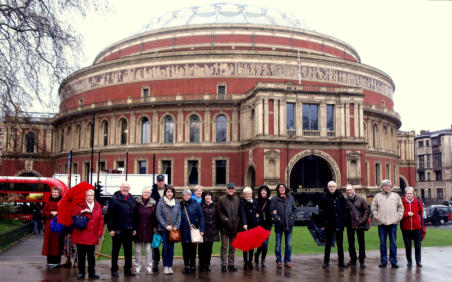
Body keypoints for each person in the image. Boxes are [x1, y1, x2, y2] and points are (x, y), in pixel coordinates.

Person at [106, 181, 137, 277]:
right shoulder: (114, 199)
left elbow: (134, 215)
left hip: (129, 230)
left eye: (127, 187)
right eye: (124, 187)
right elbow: (109, 216)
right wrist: (111, 229)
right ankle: (114, 270)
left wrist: (134, 228)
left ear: (129, 188)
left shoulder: (132, 200)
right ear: (120, 188)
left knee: (128, 252)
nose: (125, 189)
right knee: (115, 251)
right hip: (117, 230)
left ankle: (127, 269)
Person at [71, 189, 104, 280]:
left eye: (91, 195)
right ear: (85, 196)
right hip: (81, 235)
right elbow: (73, 214)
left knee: (91, 256)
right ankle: (81, 272)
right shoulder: (79, 205)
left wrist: (100, 232)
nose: (89, 197)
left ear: (94, 196)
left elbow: (101, 220)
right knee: (81, 256)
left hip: (92, 235)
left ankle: (91, 273)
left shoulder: (97, 206)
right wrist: (82, 211)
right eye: (88, 195)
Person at [371, 179, 404, 268]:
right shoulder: (377, 196)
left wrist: (398, 217)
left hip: (393, 223)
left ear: (391, 187)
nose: (387, 187)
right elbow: (373, 208)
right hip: (382, 224)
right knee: (382, 243)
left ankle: (393, 261)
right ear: (382, 187)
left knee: (393, 243)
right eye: (385, 186)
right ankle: (383, 261)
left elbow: (401, 208)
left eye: (389, 186)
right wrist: (377, 217)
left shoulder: (396, 196)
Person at [319, 181, 349, 269]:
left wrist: (343, 220)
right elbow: (321, 212)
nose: (332, 188)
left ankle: (341, 261)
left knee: (340, 244)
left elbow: (345, 209)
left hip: (339, 224)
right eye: (330, 186)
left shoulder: (340, 196)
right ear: (328, 187)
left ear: (336, 187)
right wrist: (323, 224)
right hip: (329, 224)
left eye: (333, 186)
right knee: (328, 244)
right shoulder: (324, 197)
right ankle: (326, 262)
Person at [270, 183, 296, 268]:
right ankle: (279, 261)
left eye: (283, 187)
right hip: (279, 224)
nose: (282, 188)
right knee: (278, 244)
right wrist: (277, 218)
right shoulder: (274, 199)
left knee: (288, 244)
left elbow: (294, 209)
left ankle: (287, 261)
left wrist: (292, 216)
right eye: (280, 187)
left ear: (285, 189)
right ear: (278, 189)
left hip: (288, 224)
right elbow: (271, 210)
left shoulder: (290, 198)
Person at [156, 185, 181, 275]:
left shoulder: (177, 203)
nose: (169, 193)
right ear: (165, 193)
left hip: (174, 230)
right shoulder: (161, 202)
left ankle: (170, 266)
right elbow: (158, 215)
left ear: (173, 193)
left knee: (171, 248)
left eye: (171, 192)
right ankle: (165, 266)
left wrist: (176, 226)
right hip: (164, 229)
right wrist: (166, 226)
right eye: (168, 192)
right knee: (165, 248)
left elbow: (179, 215)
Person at [217, 182, 241, 272]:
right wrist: (225, 220)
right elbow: (219, 212)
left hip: (235, 227)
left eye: (232, 188)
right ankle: (223, 264)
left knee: (232, 247)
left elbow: (239, 212)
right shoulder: (221, 199)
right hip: (225, 227)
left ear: (234, 190)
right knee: (224, 247)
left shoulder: (237, 199)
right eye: (229, 188)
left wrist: (238, 221)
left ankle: (231, 264)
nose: (231, 190)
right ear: (227, 189)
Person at [180, 189, 205, 274]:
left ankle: (192, 265)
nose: (186, 196)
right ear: (182, 196)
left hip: (193, 230)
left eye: (188, 195)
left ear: (190, 196)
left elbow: (201, 217)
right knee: (185, 249)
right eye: (184, 195)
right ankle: (186, 266)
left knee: (193, 249)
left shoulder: (196, 204)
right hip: (183, 231)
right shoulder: (180, 205)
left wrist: (202, 229)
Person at [345, 184, 370, 268]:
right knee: (351, 243)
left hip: (360, 224)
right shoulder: (345, 201)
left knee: (361, 243)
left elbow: (366, 211)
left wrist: (362, 221)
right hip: (349, 224)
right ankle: (353, 259)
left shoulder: (361, 199)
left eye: (350, 189)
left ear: (354, 190)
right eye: (347, 190)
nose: (349, 191)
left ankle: (362, 260)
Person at [134, 187, 157, 274]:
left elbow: (155, 217)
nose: (146, 194)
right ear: (142, 193)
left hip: (149, 230)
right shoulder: (137, 202)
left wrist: (155, 228)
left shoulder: (153, 204)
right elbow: (134, 216)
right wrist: (134, 228)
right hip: (138, 229)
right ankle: (137, 266)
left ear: (150, 194)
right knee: (138, 250)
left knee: (148, 251)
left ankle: (149, 267)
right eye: (144, 192)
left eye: (148, 192)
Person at [401, 187, 423, 267]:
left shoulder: (417, 202)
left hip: (417, 227)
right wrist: (407, 214)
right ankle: (409, 261)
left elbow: (421, 214)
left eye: (411, 193)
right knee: (408, 245)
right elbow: (399, 214)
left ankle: (418, 261)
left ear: (413, 194)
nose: (409, 195)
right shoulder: (402, 202)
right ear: (405, 194)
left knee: (418, 245)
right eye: (408, 193)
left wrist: (422, 227)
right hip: (406, 228)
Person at [42, 187, 64, 268]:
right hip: (49, 226)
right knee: (49, 243)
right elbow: (44, 213)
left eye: (56, 192)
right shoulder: (48, 201)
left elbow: (65, 212)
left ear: (59, 193)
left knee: (57, 243)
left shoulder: (62, 202)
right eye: (53, 192)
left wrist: (58, 213)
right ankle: (49, 261)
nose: (54, 193)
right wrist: (51, 212)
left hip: (58, 225)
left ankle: (57, 262)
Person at [199, 190, 219, 272]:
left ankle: (207, 264)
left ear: (211, 196)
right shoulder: (200, 205)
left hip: (212, 229)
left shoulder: (215, 205)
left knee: (209, 248)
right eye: (206, 195)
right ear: (203, 197)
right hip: (203, 230)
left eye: (209, 195)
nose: (208, 197)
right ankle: (201, 264)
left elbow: (218, 216)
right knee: (202, 248)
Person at [150, 174, 167, 272]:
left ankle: (166, 263)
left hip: (166, 223)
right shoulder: (152, 193)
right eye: (159, 181)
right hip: (156, 223)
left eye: (162, 181)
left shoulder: (169, 191)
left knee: (166, 245)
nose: (161, 183)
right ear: (157, 182)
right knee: (155, 244)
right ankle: (155, 262)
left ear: (164, 181)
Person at [240, 187, 258, 270]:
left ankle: (250, 261)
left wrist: (258, 215)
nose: (247, 195)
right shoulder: (242, 202)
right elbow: (242, 213)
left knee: (251, 245)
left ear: (251, 194)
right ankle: (245, 261)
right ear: (244, 195)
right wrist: (244, 223)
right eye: (246, 194)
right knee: (245, 245)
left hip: (253, 225)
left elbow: (258, 212)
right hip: (245, 226)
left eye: (249, 193)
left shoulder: (255, 201)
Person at [254, 185, 272, 267]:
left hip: (267, 225)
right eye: (262, 191)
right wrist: (256, 215)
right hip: (259, 226)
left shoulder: (269, 202)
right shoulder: (256, 201)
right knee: (260, 243)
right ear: (260, 192)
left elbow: (272, 212)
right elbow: (253, 212)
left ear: (267, 192)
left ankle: (263, 259)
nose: (263, 192)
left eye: (265, 191)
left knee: (265, 244)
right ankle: (257, 254)